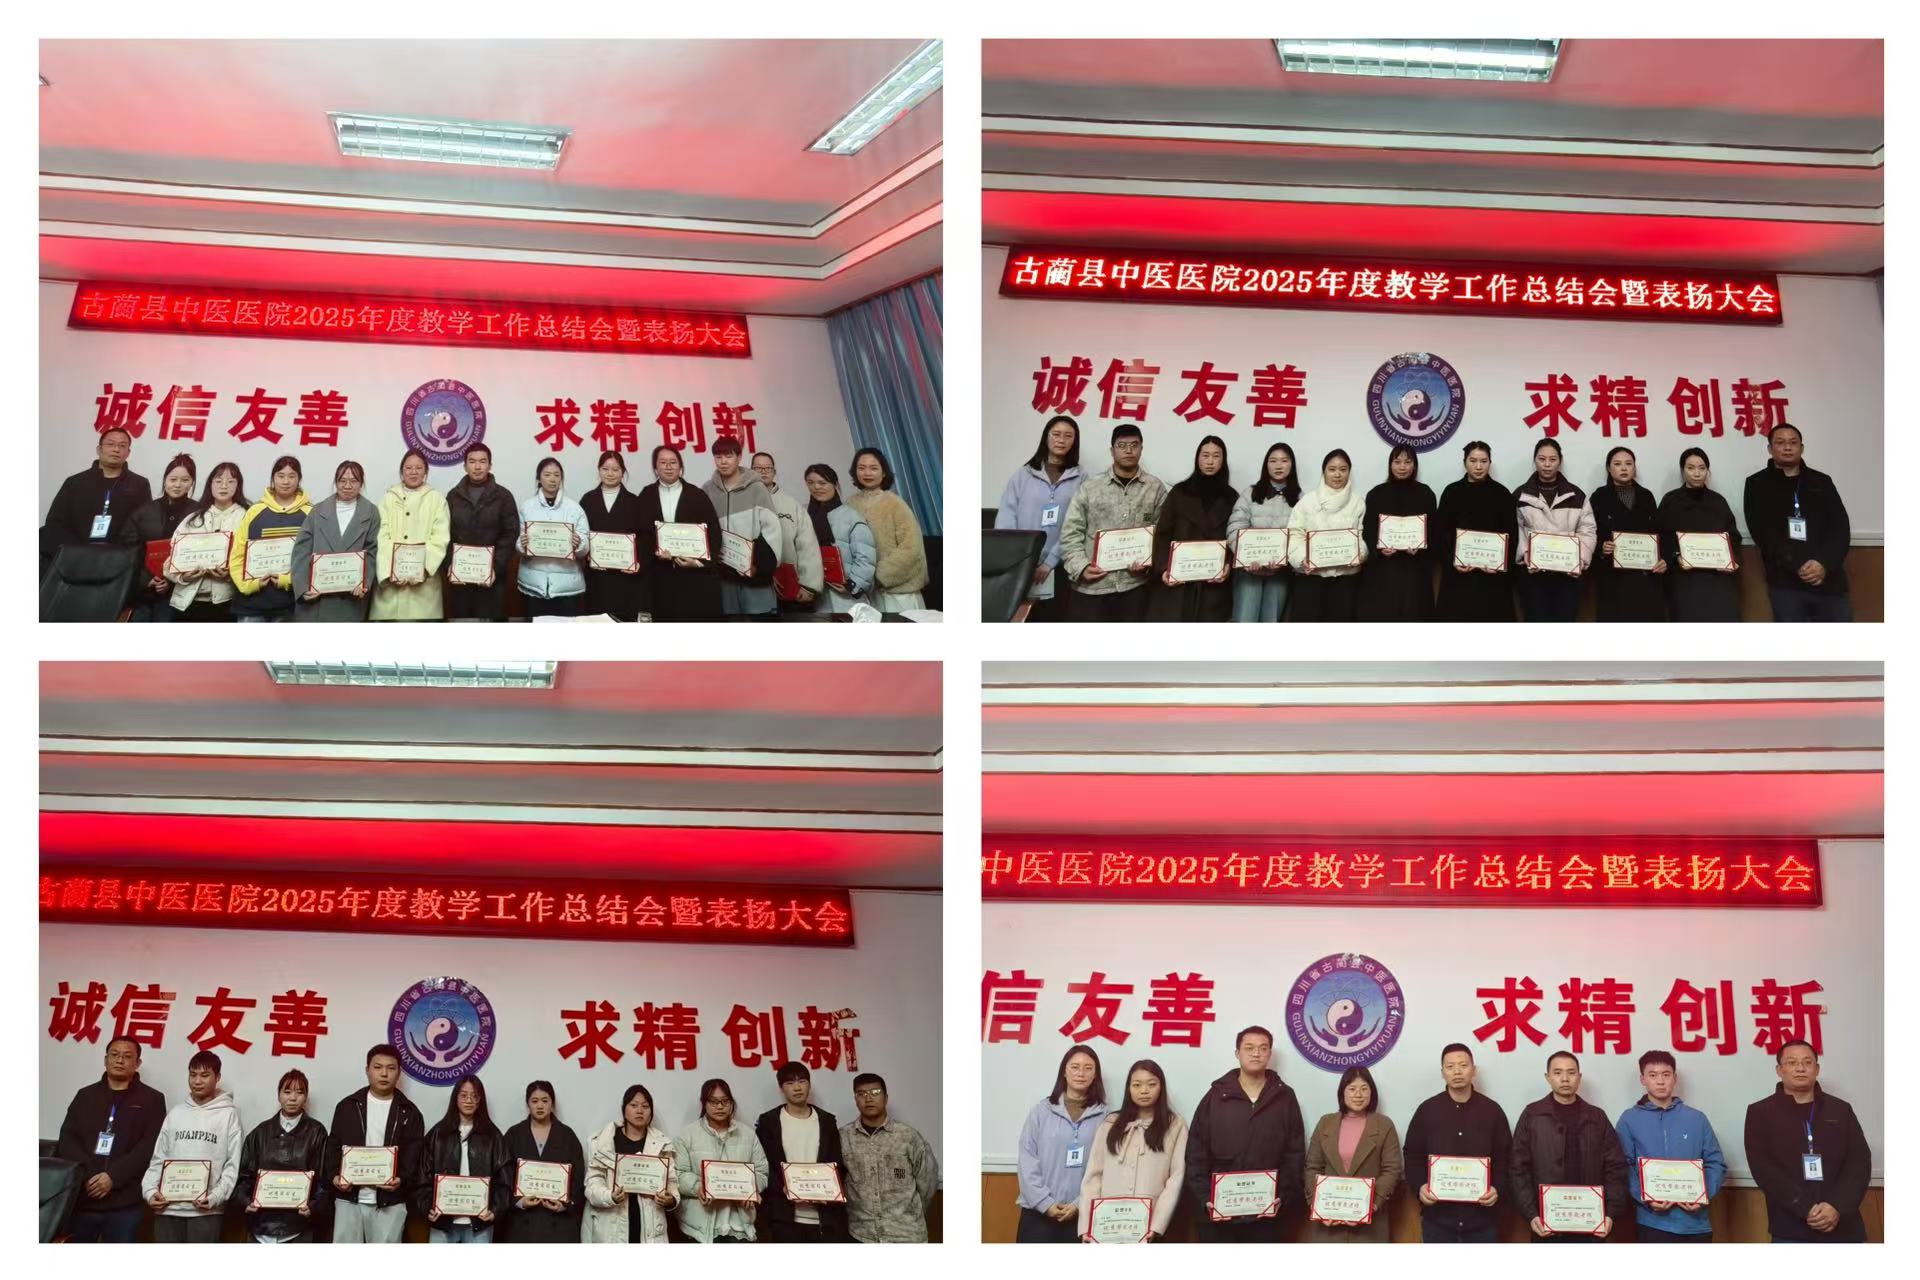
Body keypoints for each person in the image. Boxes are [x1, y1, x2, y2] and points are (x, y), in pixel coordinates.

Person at [1744, 1039, 1871, 1242]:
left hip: (1843, 1224)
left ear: (1817, 1069)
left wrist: (1836, 1206)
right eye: (1792, 1062)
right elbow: (1763, 1169)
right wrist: (1805, 1208)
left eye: (1807, 1062)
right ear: (1779, 1070)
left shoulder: (1840, 1109)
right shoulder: (1760, 1113)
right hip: (1790, 1227)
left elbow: (1859, 1162)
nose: (1800, 1068)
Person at [1184, 1025, 1303, 1241]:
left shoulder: (1285, 1097)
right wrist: (1205, 1197)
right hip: (1220, 1215)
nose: (1256, 1053)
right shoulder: (1216, 1096)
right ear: (1237, 1053)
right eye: (1249, 1048)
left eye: (1263, 1048)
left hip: (1267, 1215)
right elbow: (1196, 1153)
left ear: (1269, 1054)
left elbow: (1294, 1153)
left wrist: (1283, 1195)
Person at [53, 1035, 167, 1242]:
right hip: (84, 1196)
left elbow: (150, 1145)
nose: (119, 1060)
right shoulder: (85, 1096)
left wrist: (113, 1177)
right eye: (114, 1055)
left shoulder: (152, 1099)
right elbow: (68, 1140)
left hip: (126, 1201)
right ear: (106, 1060)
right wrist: (90, 1176)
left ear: (137, 1063)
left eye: (127, 1056)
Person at [1511, 1050, 1629, 1241]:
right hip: (1545, 1222)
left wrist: (1610, 1213)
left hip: (1591, 1223)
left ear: (1579, 1077)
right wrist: (1531, 1213)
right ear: (1548, 1077)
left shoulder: (1597, 1117)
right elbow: (1518, 1169)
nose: (1565, 1079)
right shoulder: (1532, 1115)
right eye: (1557, 1073)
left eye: (1571, 1073)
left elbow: (1615, 1167)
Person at [1743, 422, 1853, 621]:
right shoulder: (1756, 484)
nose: (1787, 447)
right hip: (1785, 583)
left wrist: (1823, 564)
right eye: (1780, 442)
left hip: (1828, 579)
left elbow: (1840, 527)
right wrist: (1798, 564)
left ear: (1801, 448)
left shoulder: (1822, 481)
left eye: (1793, 442)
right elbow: (1761, 532)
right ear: (1770, 449)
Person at [1403, 1042, 1510, 1243]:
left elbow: (1505, 1157)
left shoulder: (1492, 1111)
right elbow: (1412, 1155)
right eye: (1450, 1066)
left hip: (1482, 1220)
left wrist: (1497, 1188)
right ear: (1442, 1072)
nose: (1457, 1071)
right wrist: (1420, 1186)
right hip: (1438, 1220)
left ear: (1474, 1070)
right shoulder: (1427, 1110)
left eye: (1463, 1065)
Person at [1058, 425, 1167, 622]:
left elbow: (1162, 535)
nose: (1128, 450)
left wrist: (1147, 564)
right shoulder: (1091, 487)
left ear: (1141, 449)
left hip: (1134, 587)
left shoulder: (1155, 488)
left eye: (1134, 445)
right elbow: (1070, 532)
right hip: (1092, 587)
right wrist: (1081, 567)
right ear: (1112, 450)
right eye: (1122, 445)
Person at [1615, 1050, 1725, 1242]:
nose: (1660, 1081)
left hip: (1696, 1223)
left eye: (1666, 1075)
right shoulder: (1629, 1119)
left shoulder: (1697, 1118)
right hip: (1651, 1222)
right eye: (1653, 1075)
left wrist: (1703, 1195)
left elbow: (1715, 1163)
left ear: (1675, 1078)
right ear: (1643, 1079)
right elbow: (1623, 1165)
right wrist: (1646, 1198)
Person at [1077, 1058, 1187, 1242]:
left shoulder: (1175, 1125)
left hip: (1148, 1225)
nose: (1144, 1090)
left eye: (1151, 1084)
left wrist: (1156, 1225)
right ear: (1128, 1088)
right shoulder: (1110, 1124)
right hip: (1107, 1224)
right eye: (1136, 1085)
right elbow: (1093, 1177)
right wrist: (1087, 1226)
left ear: (1161, 1087)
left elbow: (1176, 1178)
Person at [140, 1049, 244, 1242]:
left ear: (217, 1077)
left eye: (205, 1075)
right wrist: (150, 1191)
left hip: (205, 1211)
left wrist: (215, 1197)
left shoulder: (228, 1115)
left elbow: (233, 1164)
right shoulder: (176, 1113)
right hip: (167, 1209)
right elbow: (159, 1158)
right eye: (193, 1075)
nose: (197, 1081)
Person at [325, 1043, 425, 1243]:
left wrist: (401, 1180)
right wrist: (335, 1176)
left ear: (399, 1073)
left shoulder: (410, 1112)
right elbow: (333, 1147)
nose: (384, 1074)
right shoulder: (347, 1106)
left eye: (391, 1068)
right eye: (378, 1067)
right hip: (349, 1198)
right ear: (367, 1070)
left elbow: (414, 1157)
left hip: (390, 1201)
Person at [995, 415, 1085, 620]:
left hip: (1060, 567)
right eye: (1056, 434)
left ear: (1075, 441)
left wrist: (1050, 562)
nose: (1061, 440)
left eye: (1068, 436)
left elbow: (1078, 526)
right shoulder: (1023, 474)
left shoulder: (1082, 478)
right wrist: (1019, 559)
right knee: (1017, 620)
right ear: (1046, 437)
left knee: (1051, 620)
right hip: (1020, 564)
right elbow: (1006, 517)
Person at [1016, 1045, 1109, 1241]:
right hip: (1037, 1213)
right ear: (1064, 1072)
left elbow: (1107, 1167)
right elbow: (1026, 1159)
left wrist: (1079, 1204)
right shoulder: (1041, 1111)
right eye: (1074, 1067)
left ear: (1095, 1075)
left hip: (1083, 1214)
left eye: (1088, 1068)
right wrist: (1045, 1203)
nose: (1081, 1073)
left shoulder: (1106, 1117)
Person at [1304, 1066, 1403, 1243]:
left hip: (1370, 1224)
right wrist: (1317, 1205)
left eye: (1364, 1088)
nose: (1358, 1094)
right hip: (1329, 1222)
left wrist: (1372, 1204)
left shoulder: (1384, 1125)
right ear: (1342, 1092)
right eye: (1352, 1089)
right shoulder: (1325, 1122)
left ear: (1372, 1092)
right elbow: (1312, 1167)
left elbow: (1392, 1169)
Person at [755, 1060, 849, 1241]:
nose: (797, 1088)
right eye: (790, 1083)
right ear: (781, 1088)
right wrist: (782, 1188)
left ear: (809, 1085)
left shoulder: (827, 1121)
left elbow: (837, 1162)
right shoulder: (769, 1121)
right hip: (784, 1217)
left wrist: (830, 1188)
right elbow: (764, 1164)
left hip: (825, 1216)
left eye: (802, 1081)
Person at [840, 1072, 939, 1243]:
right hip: (861, 1234)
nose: (868, 1098)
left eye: (875, 1092)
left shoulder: (908, 1136)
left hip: (905, 1235)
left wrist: (909, 1215)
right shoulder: (844, 1137)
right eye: (861, 1094)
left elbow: (928, 1183)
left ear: (886, 1098)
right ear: (855, 1099)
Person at [1148, 435, 1236, 622]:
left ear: (1223, 460)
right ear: (1197, 458)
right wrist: (1164, 568)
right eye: (1205, 455)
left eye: (1216, 456)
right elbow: (1162, 534)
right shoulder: (1179, 492)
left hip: (1213, 584)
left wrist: (1228, 564)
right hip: (1179, 581)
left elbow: (1234, 538)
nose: (1210, 461)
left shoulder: (1231, 497)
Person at [237, 1067, 329, 1243]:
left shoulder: (317, 1132)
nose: (293, 1098)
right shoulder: (259, 1133)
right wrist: (246, 1201)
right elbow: (244, 1176)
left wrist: (312, 1206)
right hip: (260, 1225)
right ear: (278, 1095)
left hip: (299, 1226)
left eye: (299, 1093)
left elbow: (323, 1179)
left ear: (306, 1097)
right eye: (287, 1092)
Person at [415, 1074, 510, 1243]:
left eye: (474, 1096)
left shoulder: (493, 1135)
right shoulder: (438, 1134)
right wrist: (428, 1207)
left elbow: (504, 1180)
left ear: (480, 1100)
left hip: (480, 1223)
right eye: (464, 1095)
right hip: (442, 1222)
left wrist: (495, 1210)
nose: (469, 1100)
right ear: (455, 1098)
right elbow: (422, 1177)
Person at [673, 1077, 769, 1242]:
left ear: (731, 1103)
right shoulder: (687, 1135)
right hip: (699, 1227)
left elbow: (762, 1172)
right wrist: (699, 1187)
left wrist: (751, 1190)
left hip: (741, 1225)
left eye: (725, 1101)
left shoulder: (748, 1135)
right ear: (704, 1104)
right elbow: (678, 1173)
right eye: (713, 1101)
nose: (719, 1106)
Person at [41, 426, 152, 567]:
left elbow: (144, 527)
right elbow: (55, 523)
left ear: (128, 452)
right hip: (74, 560)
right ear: (99, 449)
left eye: (122, 446)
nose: (116, 449)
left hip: (117, 562)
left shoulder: (139, 484)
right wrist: (79, 553)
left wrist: (118, 555)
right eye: (110, 444)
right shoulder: (75, 482)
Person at [582, 1084, 678, 1244]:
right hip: (613, 1227)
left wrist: (671, 1199)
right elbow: (592, 1183)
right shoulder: (604, 1142)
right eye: (634, 1105)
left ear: (651, 1111)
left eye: (645, 1106)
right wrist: (609, 1196)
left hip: (651, 1228)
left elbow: (672, 1183)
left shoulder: (662, 1144)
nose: (640, 1111)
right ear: (624, 1109)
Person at [1513, 438, 1595, 622]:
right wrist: (1526, 554)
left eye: (1552, 459)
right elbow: (1516, 529)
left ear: (1560, 461)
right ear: (1534, 460)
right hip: (1533, 576)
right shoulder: (1520, 495)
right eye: (1542, 459)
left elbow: (1587, 530)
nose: (1547, 464)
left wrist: (1579, 560)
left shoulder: (1577, 495)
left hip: (1567, 576)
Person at [637, 445, 722, 621]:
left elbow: (714, 534)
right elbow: (640, 534)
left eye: (673, 462)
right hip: (659, 579)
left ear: (681, 467)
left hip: (693, 580)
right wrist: (654, 552)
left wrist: (697, 563)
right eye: (663, 462)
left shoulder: (697, 495)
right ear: (655, 468)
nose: (668, 467)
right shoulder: (646, 495)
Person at [1658, 447, 1744, 622]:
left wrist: (1731, 559)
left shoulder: (1718, 501)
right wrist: (1674, 556)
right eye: (1690, 468)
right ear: (1683, 471)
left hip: (1718, 579)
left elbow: (1733, 536)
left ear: (1707, 471)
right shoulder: (1671, 500)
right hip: (1684, 578)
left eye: (1702, 468)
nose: (1697, 473)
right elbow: (1661, 535)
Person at [1433, 441, 1515, 621]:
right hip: (1458, 578)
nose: (1478, 467)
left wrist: (1501, 564)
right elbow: (1439, 533)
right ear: (1465, 462)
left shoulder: (1502, 494)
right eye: (1473, 461)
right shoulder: (1452, 492)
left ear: (1490, 463)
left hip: (1493, 579)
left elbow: (1512, 536)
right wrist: (1451, 562)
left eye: (1483, 461)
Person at [1286, 448, 1368, 621]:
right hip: (1311, 579)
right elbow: (1294, 535)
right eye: (1332, 469)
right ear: (1324, 471)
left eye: (1343, 469)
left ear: (1349, 472)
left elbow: (1362, 536)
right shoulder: (1307, 501)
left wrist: (1359, 554)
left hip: (1346, 580)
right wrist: (1302, 559)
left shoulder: (1358, 502)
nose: (1337, 474)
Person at [703, 437, 782, 617]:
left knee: (760, 620)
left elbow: (772, 532)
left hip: (754, 575)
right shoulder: (707, 490)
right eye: (718, 457)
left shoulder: (757, 488)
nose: (723, 461)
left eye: (728, 456)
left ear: (739, 457)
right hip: (723, 576)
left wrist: (759, 567)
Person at [1358, 444, 1437, 621]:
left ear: (1414, 465)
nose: (1402, 467)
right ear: (1390, 464)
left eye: (1407, 462)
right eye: (1397, 462)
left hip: (1415, 571)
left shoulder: (1426, 494)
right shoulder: (1376, 494)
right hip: (1383, 571)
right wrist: (1379, 550)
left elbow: (1434, 531)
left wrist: (1421, 549)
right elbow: (1368, 531)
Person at [292, 460, 379, 621]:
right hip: (316, 600)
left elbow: (372, 552)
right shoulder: (318, 510)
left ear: (361, 484)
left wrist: (364, 583)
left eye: (353, 481)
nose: (347, 486)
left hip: (351, 599)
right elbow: (301, 551)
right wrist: (303, 588)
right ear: (336, 482)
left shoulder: (371, 513)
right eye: (342, 480)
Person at [1587, 446, 1667, 622]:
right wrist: (1602, 546)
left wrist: (1662, 558)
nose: (1623, 468)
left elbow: (1657, 532)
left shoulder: (1646, 496)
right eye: (1617, 464)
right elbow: (1590, 532)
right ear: (1609, 469)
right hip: (1612, 578)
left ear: (1634, 467)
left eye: (1628, 464)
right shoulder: (1599, 496)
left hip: (1645, 576)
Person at [846, 446, 929, 611]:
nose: (867, 473)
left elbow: (911, 547)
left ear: (883, 472)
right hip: (864, 593)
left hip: (897, 592)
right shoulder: (849, 504)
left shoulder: (895, 503)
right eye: (861, 468)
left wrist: (879, 575)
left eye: (873, 468)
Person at [370, 448, 449, 620]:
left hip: (424, 586)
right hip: (392, 583)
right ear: (401, 471)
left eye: (419, 468)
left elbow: (440, 538)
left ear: (426, 472)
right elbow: (381, 535)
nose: (414, 472)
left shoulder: (437, 499)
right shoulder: (388, 498)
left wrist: (423, 569)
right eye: (408, 468)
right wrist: (390, 570)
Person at [443, 442, 519, 621]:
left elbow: (510, 534)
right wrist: (450, 564)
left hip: (493, 580)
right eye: (472, 462)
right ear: (465, 466)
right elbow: (445, 534)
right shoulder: (453, 496)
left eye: (482, 462)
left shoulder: (503, 496)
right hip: (460, 579)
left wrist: (494, 567)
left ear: (490, 465)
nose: (477, 467)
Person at [162, 462, 248, 622]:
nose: (224, 486)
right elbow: (169, 563)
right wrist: (184, 577)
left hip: (227, 602)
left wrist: (230, 575)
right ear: (210, 484)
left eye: (230, 481)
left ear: (238, 486)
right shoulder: (193, 519)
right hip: (187, 602)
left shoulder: (247, 518)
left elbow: (252, 562)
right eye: (218, 481)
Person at [229, 455, 310, 622]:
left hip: (291, 605)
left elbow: (312, 558)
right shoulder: (254, 511)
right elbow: (238, 554)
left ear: (299, 479)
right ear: (273, 478)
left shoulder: (310, 513)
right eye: (281, 476)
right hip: (252, 603)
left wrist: (288, 580)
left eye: (291, 476)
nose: (286, 481)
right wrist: (248, 585)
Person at [502, 1079, 584, 1242]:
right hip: (521, 1223)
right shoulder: (514, 1134)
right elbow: (504, 1176)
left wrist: (565, 1204)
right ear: (528, 1104)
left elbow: (578, 1177)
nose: (540, 1106)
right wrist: (518, 1201)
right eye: (534, 1101)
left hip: (558, 1223)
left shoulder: (567, 1135)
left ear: (552, 1104)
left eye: (545, 1101)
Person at [118, 454, 197, 621]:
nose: (178, 485)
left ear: (192, 482)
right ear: (165, 480)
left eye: (185, 480)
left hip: (179, 593)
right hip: (142, 590)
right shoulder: (144, 511)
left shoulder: (198, 513)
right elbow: (127, 551)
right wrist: (146, 579)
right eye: (173, 479)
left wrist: (171, 581)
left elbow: (197, 554)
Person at [1227, 442, 1298, 623]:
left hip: (1280, 574)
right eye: (1273, 461)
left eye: (1284, 460)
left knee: (1272, 620)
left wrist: (1286, 559)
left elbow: (1300, 536)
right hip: (1249, 571)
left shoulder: (1301, 498)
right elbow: (1235, 526)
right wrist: (1245, 556)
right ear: (1266, 465)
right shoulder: (1250, 493)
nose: (1279, 465)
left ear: (1292, 465)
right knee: (1245, 619)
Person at [752, 452, 825, 614]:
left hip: (790, 584)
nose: (763, 471)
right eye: (758, 468)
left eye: (767, 468)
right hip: (754, 584)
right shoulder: (743, 503)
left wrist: (809, 585)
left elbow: (808, 546)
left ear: (774, 472)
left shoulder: (791, 504)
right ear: (750, 471)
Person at [517, 457, 591, 617]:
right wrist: (522, 544)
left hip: (568, 587)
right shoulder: (527, 507)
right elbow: (519, 542)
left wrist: (579, 543)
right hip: (534, 584)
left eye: (557, 475)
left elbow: (585, 547)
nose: (552, 479)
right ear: (538, 478)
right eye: (547, 475)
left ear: (561, 478)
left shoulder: (574, 508)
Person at [581, 450, 647, 621]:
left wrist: (637, 562)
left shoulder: (634, 501)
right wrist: (587, 555)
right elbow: (581, 536)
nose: (610, 474)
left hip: (626, 580)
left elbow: (643, 538)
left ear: (623, 472)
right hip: (596, 578)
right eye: (605, 469)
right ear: (599, 470)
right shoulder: (588, 500)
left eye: (615, 469)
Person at [803, 464, 877, 614]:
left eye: (822, 483)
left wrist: (852, 585)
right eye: (810, 482)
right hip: (818, 600)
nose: (816, 487)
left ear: (835, 485)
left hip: (848, 600)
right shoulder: (805, 516)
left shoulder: (851, 517)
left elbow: (866, 557)